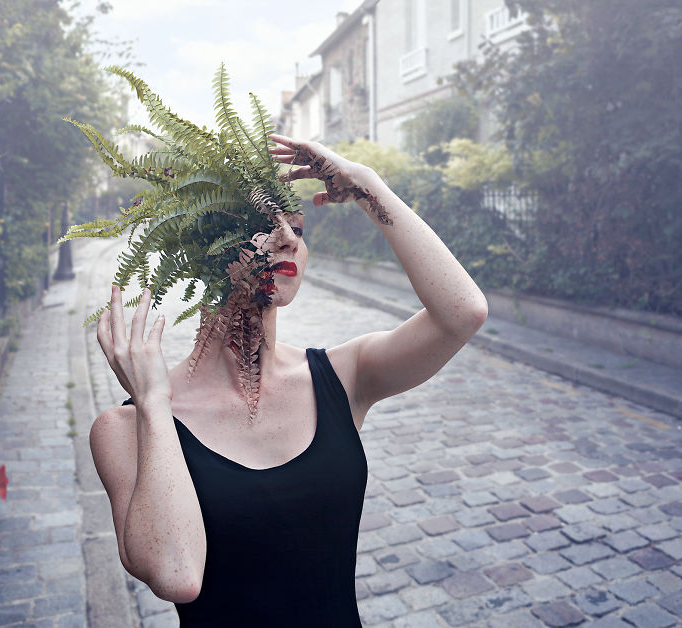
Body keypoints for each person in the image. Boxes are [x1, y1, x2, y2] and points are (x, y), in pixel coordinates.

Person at [89, 133, 488, 627]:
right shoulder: (126, 430)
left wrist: (366, 185)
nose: (287, 238)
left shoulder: (342, 378)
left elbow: (463, 313)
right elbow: (178, 575)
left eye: (296, 227)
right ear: (200, 249)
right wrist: (152, 402)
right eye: (260, 225)